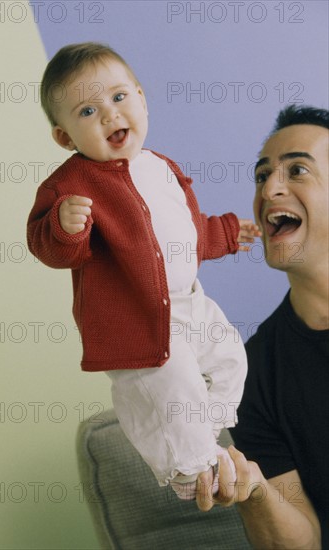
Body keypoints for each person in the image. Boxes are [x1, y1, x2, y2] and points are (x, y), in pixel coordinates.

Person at [27, 42, 260, 500]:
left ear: (141, 97)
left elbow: (189, 231)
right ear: (65, 137)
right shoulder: (70, 185)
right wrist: (63, 226)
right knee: (174, 380)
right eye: (88, 110)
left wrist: (229, 232)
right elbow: (47, 247)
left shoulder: (162, 168)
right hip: (136, 318)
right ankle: (190, 469)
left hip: (190, 301)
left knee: (232, 356)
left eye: (119, 98)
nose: (111, 115)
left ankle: (200, 435)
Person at [196, 105, 329, 549]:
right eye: (261, 175)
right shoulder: (250, 374)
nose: (271, 189)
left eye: (297, 170)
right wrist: (256, 493)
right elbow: (303, 540)